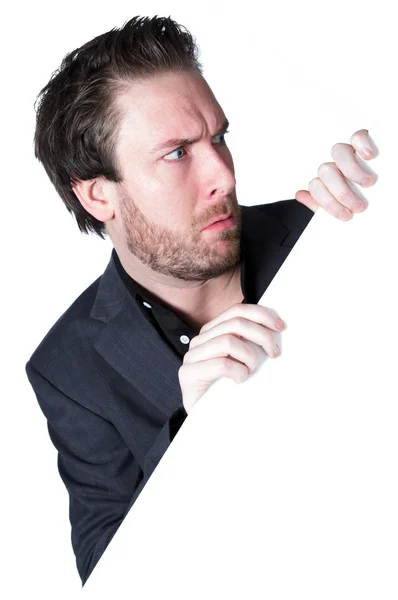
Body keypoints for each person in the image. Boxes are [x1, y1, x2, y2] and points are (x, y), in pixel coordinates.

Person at [25, 15, 376, 585]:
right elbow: (107, 575)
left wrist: (382, 206)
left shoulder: (331, 230)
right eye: (176, 154)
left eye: (218, 138)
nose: (222, 175)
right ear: (97, 195)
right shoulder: (68, 368)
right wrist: (196, 428)